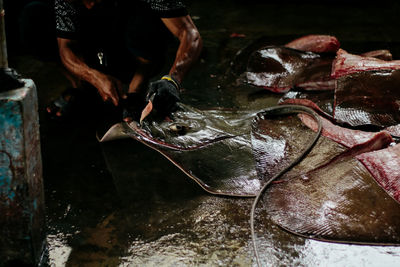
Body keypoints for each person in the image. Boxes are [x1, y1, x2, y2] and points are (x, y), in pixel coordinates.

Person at [48, 0, 202, 122]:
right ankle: (81, 87)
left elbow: (189, 32)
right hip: (95, 46)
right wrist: (93, 76)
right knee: (33, 17)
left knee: (145, 20)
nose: (89, 4)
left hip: (132, 43)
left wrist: (173, 79)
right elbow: (65, 47)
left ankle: (137, 88)